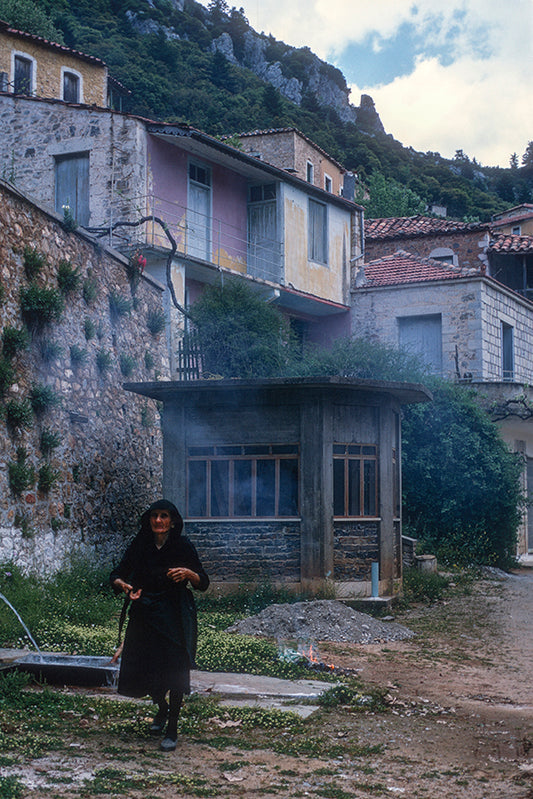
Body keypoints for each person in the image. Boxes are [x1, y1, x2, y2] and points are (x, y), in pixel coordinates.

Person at [110, 499, 209, 751]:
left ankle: (172, 728)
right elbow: (118, 574)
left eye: (164, 516)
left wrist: (188, 574)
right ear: (149, 519)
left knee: (174, 670)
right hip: (145, 613)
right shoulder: (140, 544)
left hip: (175, 614)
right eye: (154, 516)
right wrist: (124, 585)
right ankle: (162, 708)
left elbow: (203, 581)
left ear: (172, 521)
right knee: (146, 669)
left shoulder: (182, 545)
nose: (158, 521)